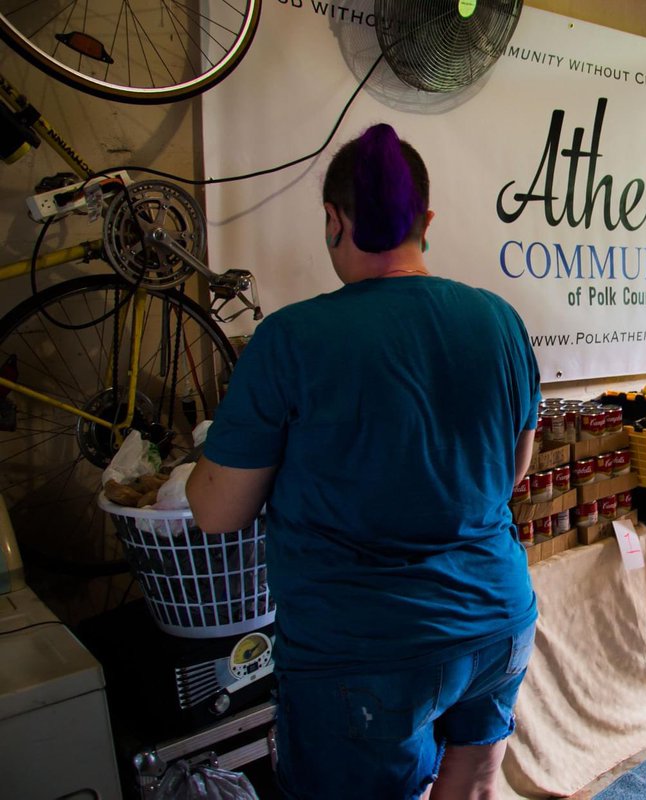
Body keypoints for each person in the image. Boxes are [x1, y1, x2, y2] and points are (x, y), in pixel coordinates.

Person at [186, 123, 541, 799]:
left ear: (332, 220)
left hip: (361, 652)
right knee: (473, 781)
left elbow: (217, 510)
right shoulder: (500, 322)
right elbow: (512, 471)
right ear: (426, 221)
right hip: (494, 622)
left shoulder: (289, 339)